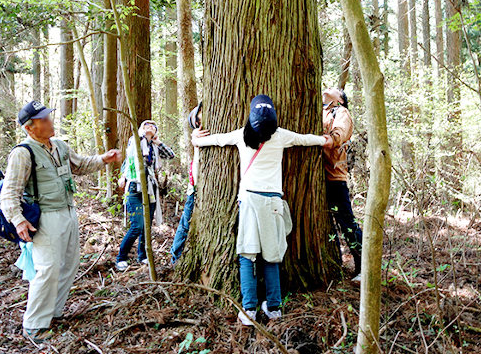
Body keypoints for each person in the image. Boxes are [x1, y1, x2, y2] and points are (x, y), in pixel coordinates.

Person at [192, 95, 333, 326]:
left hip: (248, 201)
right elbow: (304, 140)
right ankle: (274, 307)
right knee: (271, 256)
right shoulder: (280, 136)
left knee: (247, 255)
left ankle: (249, 309)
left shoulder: (241, 135)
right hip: (273, 203)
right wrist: (324, 140)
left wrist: (195, 137)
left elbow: (214, 140)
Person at [0, 101, 121, 344]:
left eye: (48, 117)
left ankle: (53, 312)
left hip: (68, 211)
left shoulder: (60, 147)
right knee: (47, 270)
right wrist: (19, 221)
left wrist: (104, 159)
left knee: (70, 264)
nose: (50, 122)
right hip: (45, 218)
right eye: (43, 120)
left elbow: (80, 165)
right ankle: (34, 325)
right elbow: (9, 192)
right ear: (30, 127)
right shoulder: (23, 153)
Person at [116, 120, 175, 271]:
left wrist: (157, 141)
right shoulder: (135, 141)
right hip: (135, 188)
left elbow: (170, 155)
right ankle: (121, 257)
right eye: (146, 125)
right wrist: (123, 176)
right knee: (137, 225)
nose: (149, 127)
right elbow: (129, 159)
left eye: (153, 126)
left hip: (150, 189)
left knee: (146, 226)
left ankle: (143, 255)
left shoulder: (155, 146)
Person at [322, 88, 363, 283]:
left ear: (340, 99)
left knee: (347, 223)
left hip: (335, 178)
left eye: (334, 90)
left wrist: (322, 139)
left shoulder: (342, 113)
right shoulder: (322, 111)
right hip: (321, 177)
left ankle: (363, 267)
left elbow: (336, 137)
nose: (328, 89)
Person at [170, 102, 208, 264]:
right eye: (200, 111)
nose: (204, 111)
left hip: (197, 188)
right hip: (195, 189)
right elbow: (196, 167)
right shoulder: (198, 137)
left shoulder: (199, 136)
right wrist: (194, 138)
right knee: (185, 223)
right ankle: (175, 256)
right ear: (197, 122)